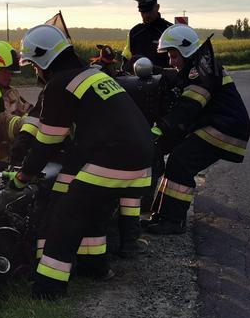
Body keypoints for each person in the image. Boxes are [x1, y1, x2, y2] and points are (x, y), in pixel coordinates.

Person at [11, 24, 154, 299]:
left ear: (43, 60)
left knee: (67, 216)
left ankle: (48, 289)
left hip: (113, 157)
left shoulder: (59, 83)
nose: (34, 71)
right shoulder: (90, 74)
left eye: (33, 65)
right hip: (140, 156)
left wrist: (23, 176)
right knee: (91, 209)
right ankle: (94, 267)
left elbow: (49, 140)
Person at [146, 24, 250, 235]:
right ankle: (160, 214)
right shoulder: (200, 66)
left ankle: (173, 221)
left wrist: (160, 129)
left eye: (174, 55)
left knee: (180, 161)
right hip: (220, 124)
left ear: (185, 50)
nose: (171, 61)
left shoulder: (201, 69)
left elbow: (189, 106)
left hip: (225, 128)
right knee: (175, 158)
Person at [122, 0, 172, 73]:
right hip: (138, 82)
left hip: (164, 82)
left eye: (149, 11)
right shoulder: (135, 32)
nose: (145, 15)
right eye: (143, 12)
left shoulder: (169, 30)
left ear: (157, 7)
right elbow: (127, 59)